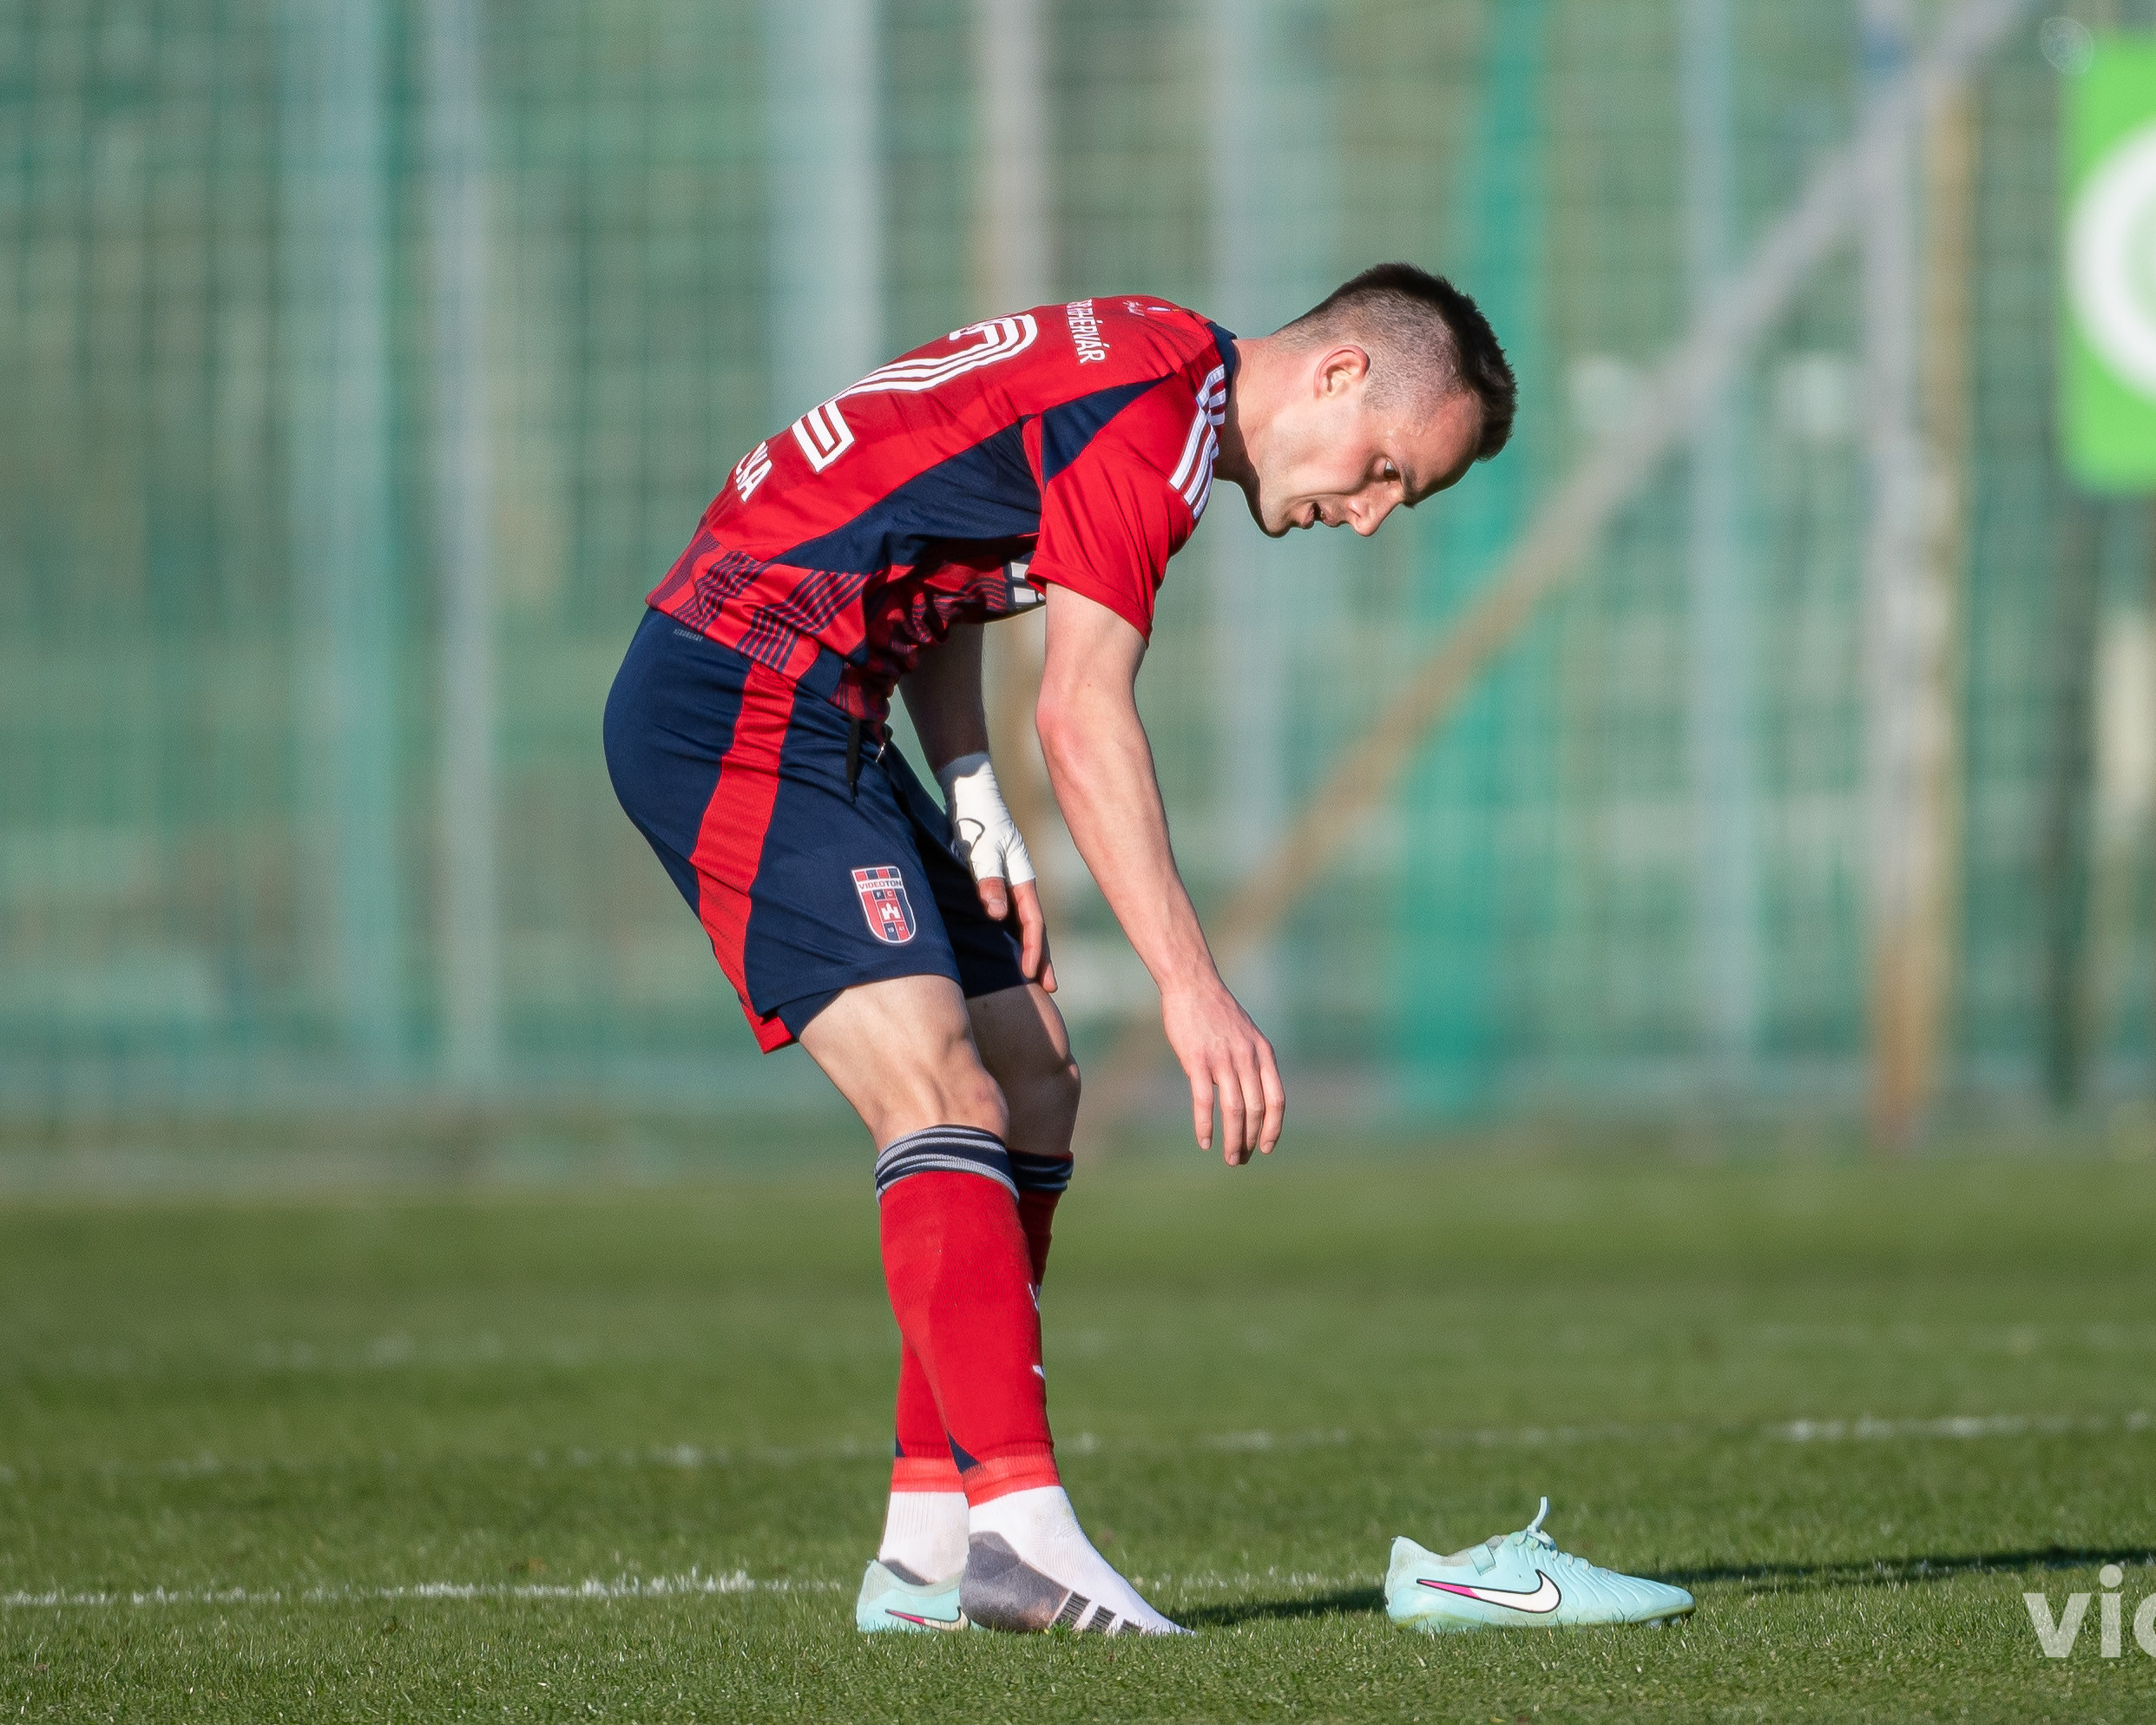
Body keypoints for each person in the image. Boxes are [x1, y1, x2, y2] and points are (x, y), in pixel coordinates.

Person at [603, 263, 1515, 1636]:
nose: (1372, 514)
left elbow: (929, 549)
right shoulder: (1154, 418)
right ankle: (1019, 1534)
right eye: (1385, 470)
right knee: (937, 1085)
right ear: (1337, 375)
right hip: (737, 687)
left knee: (1030, 1075)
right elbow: (1083, 716)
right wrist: (1190, 987)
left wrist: (969, 791)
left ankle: (925, 1558)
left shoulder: (1146, 366)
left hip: (820, 698)